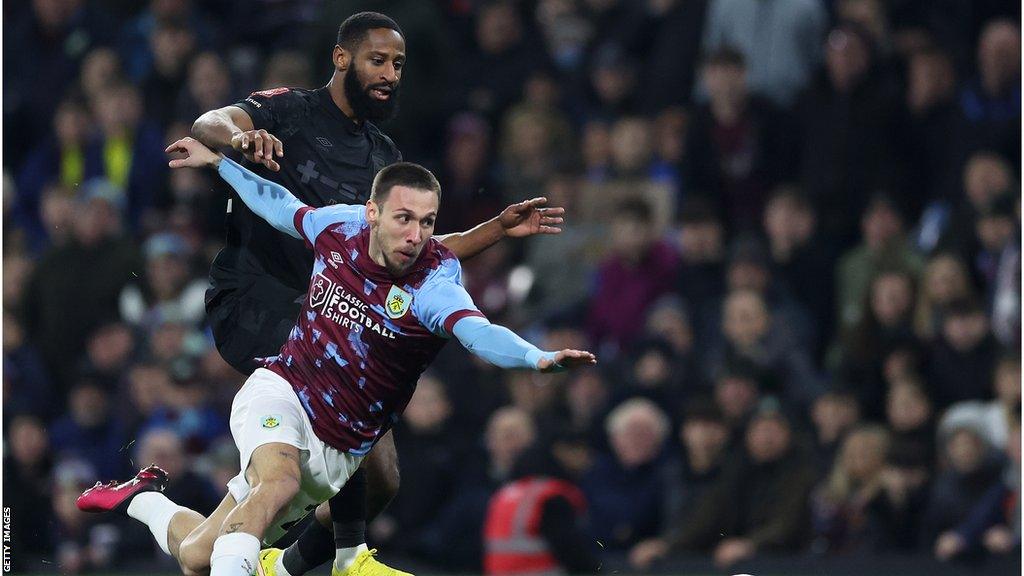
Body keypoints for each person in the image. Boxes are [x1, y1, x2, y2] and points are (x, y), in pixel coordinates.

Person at [77, 139, 596, 576]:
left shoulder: (434, 286)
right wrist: (219, 163)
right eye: (403, 218)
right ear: (372, 213)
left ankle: (137, 498)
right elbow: (278, 204)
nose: (416, 236)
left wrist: (536, 358)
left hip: (337, 450)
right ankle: (330, 560)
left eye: (427, 222)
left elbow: (479, 334)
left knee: (198, 556)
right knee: (275, 481)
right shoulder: (339, 228)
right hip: (282, 389)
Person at [188, 11, 565, 576]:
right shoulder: (288, 110)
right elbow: (209, 122)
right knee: (319, 463)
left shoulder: (383, 159)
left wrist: (495, 229)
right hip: (257, 298)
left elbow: (417, 248)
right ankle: (347, 557)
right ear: (342, 59)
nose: (390, 73)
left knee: (381, 479)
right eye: (378, 60)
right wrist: (238, 138)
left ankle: (228, 546)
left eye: (398, 64)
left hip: (331, 308)